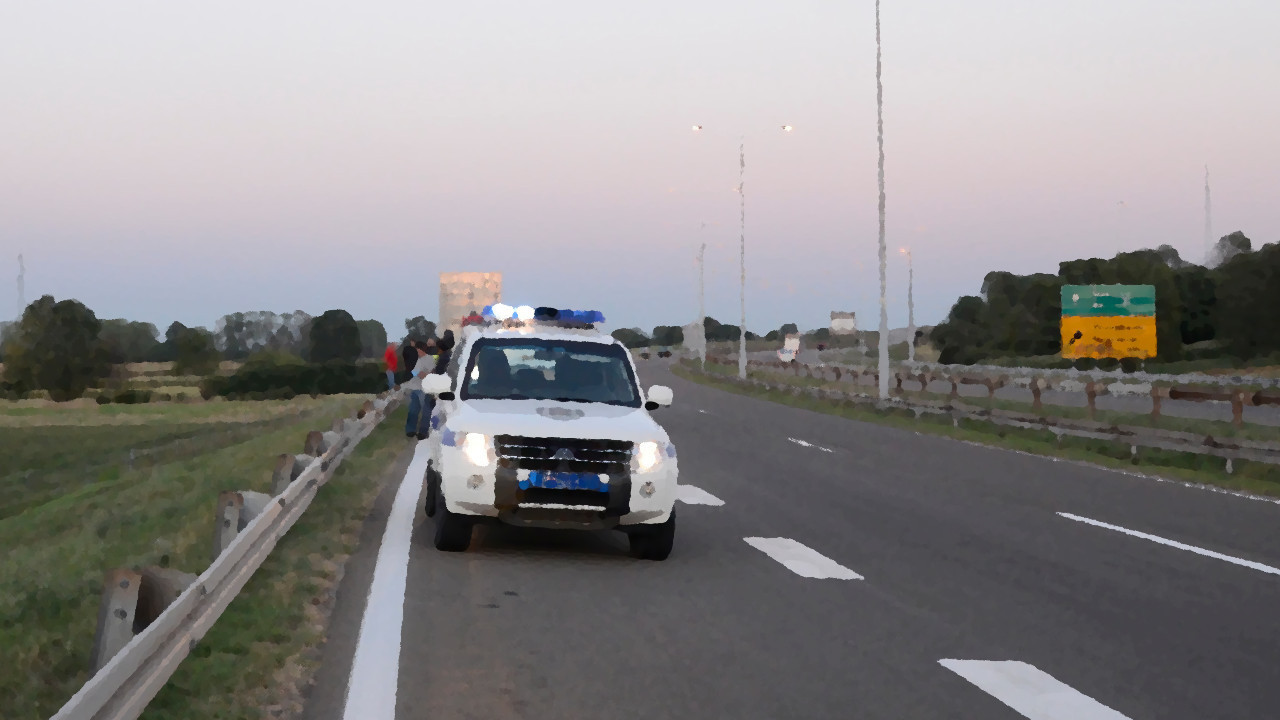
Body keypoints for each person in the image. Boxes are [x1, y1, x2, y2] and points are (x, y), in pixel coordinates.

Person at [404, 343, 434, 438]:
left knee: (426, 411)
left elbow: (430, 374)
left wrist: (420, 373)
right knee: (413, 410)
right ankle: (410, 430)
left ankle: (423, 432)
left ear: (421, 349)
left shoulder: (429, 359)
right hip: (414, 388)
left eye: (416, 350)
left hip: (424, 389)